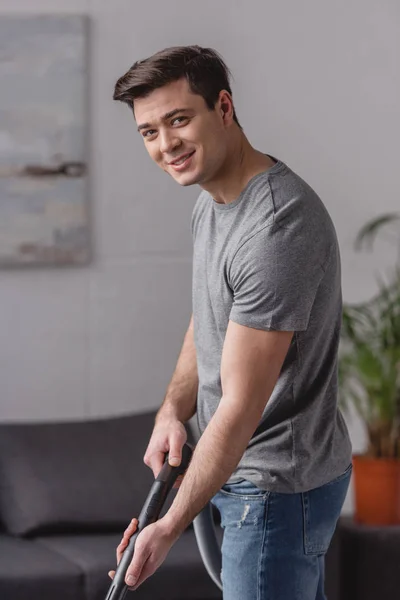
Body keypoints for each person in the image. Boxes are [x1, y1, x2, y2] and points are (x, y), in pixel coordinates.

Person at [109, 45, 352, 600]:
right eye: (148, 131)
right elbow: (211, 314)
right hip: (242, 474)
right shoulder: (214, 201)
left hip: (274, 485)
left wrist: (166, 526)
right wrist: (174, 409)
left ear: (223, 108)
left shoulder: (276, 228)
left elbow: (242, 405)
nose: (166, 145)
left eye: (178, 119)